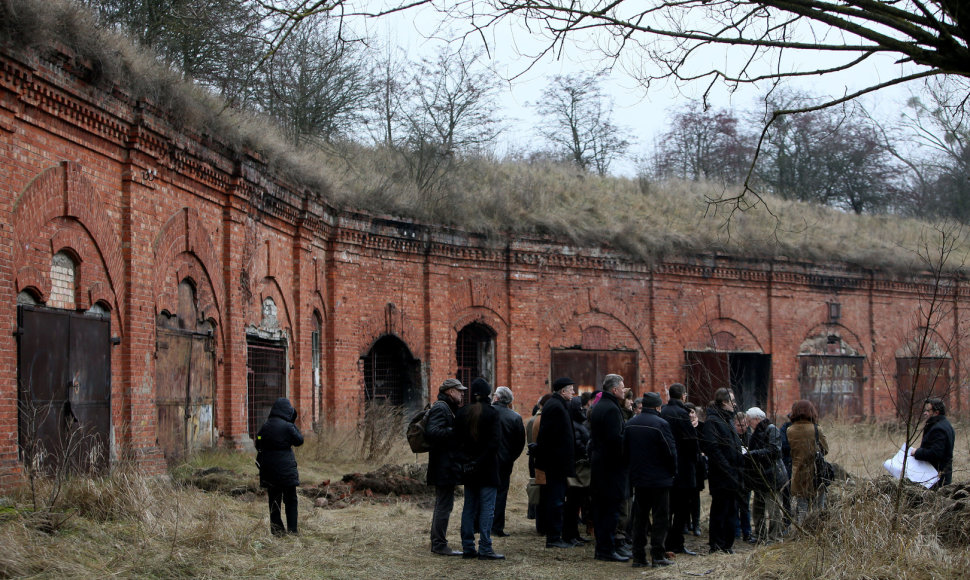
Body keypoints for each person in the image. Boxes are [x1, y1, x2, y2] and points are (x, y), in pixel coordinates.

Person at [625, 392, 677, 568]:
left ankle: (638, 556)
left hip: (639, 478)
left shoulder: (630, 424)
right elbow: (670, 452)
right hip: (660, 479)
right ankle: (657, 555)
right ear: (657, 407)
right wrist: (672, 472)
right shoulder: (661, 424)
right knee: (660, 518)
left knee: (639, 518)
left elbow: (625, 451)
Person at [455, 378, 505, 560]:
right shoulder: (492, 414)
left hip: (468, 470)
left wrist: (467, 462)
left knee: (469, 507)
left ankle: (468, 547)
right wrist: (479, 461)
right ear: (488, 394)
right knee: (487, 509)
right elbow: (494, 444)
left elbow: (456, 443)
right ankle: (485, 547)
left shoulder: (462, 413)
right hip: (488, 468)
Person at [589, 374, 631, 562]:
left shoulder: (599, 406)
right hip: (611, 468)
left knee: (601, 509)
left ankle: (603, 548)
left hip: (600, 465)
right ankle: (607, 549)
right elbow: (616, 441)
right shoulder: (612, 409)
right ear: (614, 390)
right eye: (622, 387)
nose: (625, 389)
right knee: (610, 510)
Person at [426, 378, 467, 556]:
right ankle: (439, 544)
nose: (462, 393)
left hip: (446, 465)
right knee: (443, 505)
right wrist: (456, 432)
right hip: (442, 466)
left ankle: (438, 541)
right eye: (459, 390)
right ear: (450, 391)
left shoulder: (447, 407)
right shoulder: (441, 407)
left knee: (444, 504)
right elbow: (432, 432)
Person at [535, 377, 577, 549]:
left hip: (557, 462)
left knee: (558, 499)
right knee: (556, 500)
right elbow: (549, 437)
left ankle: (556, 535)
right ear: (563, 391)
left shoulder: (556, 405)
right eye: (571, 389)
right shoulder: (556, 407)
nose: (574, 393)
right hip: (556, 463)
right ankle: (553, 537)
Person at [700, 388, 743, 554]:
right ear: (725, 402)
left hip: (733, 474)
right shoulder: (713, 421)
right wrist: (728, 468)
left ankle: (727, 544)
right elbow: (713, 449)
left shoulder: (728, 420)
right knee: (720, 510)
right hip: (721, 476)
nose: (735, 404)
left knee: (732, 510)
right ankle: (717, 545)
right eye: (732, 401)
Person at [255, 397, 304, 536]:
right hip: (286, 470)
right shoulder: (288, 426)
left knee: (274, 501)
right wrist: (292, 424)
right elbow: (299, 440)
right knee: (291, 500)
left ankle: (277, 532)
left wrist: (263, 442)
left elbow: (258, 440)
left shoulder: (266, 426)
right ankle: (292, 531)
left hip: (269, 470)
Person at [661, 383, 699, 556]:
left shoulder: (664, 411)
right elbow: (691, 441)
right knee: (682, 507)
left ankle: (665, 542)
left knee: (668, 508)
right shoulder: (682, 413)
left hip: (666, 466)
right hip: (683, 467)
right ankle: (676, 543)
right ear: (683, 395)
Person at [744, 407, 788, 544]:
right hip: (760, 477)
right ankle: (760, 535)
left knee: (773, 508)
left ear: (757, 419)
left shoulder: (771, 429)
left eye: (749, 421)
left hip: (773, 477)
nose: (748, 423)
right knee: (758, 508)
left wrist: (753, 454)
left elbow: (775, 450)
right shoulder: (755, 433)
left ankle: (775, 537)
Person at [786, 399, 828, 525]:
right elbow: (825, 450)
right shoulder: (816, 429)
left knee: (801, 510)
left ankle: (801, 535)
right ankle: (818, 533)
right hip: (816, 474)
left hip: (798, 473)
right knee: (819, 509)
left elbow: (789, 452)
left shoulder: (790, 430)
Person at [492, 386, 526, 536]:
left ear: (497, 398)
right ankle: (497, 527)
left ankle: (478, 524)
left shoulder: (486, 412)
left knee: (482, 491)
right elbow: (519, 443)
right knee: (500, 494)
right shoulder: (515, 417)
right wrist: (510, 457)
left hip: (485, 460)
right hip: (505, 461)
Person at [563, 395, 592, 545]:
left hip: (580, 469)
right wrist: (587, 452)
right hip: (577, 470)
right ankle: (570, 535)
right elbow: (578, 445)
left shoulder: (578, 423)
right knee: (573, 504)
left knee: (576, 503)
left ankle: (574, 534)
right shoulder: (574, 424)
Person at [909, 397, 955, 488]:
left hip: (936, 478)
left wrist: (916, 452)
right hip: (940, 476)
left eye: (928, 411)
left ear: (936, 412)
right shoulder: (946, 424)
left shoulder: (938, 429)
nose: (925, 413)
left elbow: (935, 453)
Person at [527, 393, 553, 530]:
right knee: (541, 493)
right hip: (540, 461)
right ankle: (541, 524)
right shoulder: (540, 419)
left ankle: (539, 522)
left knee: (539, 492)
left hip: (536, 459)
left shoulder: (535, 419)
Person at [686, 403, 706, 537]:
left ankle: (696, 523)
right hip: (687, 466)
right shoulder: (683, 428)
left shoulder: (702, 427)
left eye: (692, 412)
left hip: (698, 466)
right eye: (688, 413)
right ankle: (686, 523)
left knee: (695, 496)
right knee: (685, 496)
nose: (691, 415)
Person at [734, 411, 752, 543]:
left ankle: (747, 531)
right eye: (739, 425)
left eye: (744, 425)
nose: (742, 427)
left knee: (745, 505)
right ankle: (736, 531)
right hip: (735, 474)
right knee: (734, 505)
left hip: (747, 474)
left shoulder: (750, 436)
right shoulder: (731, 437)